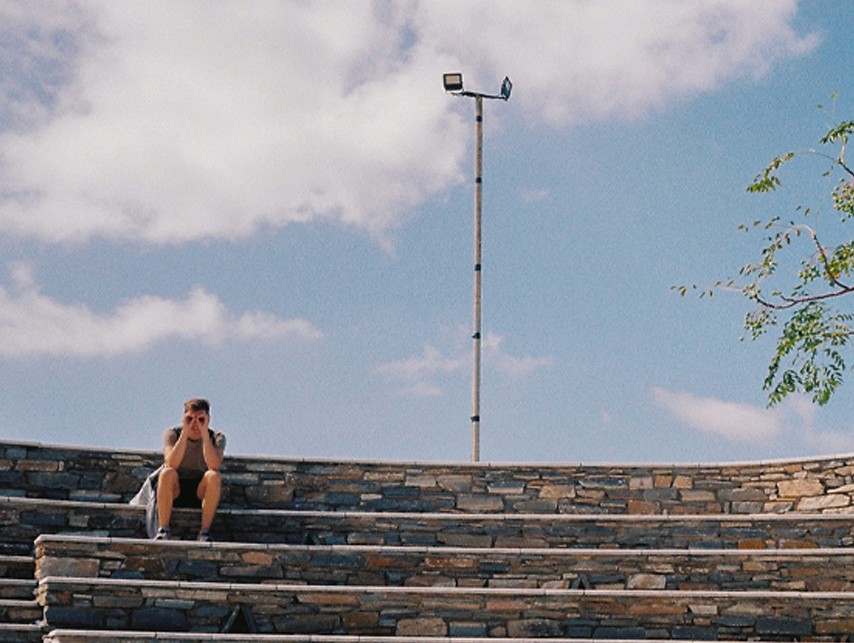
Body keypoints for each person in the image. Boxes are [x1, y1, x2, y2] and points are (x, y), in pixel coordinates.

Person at [154, 398, 226, 542]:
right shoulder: (172, 434)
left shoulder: (216, 438)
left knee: (214, 476)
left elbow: (214, 465)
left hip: (201, 489)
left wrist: (204, 433)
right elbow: (171, 463)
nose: (195, 423)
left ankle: (204, 532)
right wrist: (185, 433)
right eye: (190, 418)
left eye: (200, 419)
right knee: (167, 473)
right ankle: (164, 529)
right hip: (176, 487)